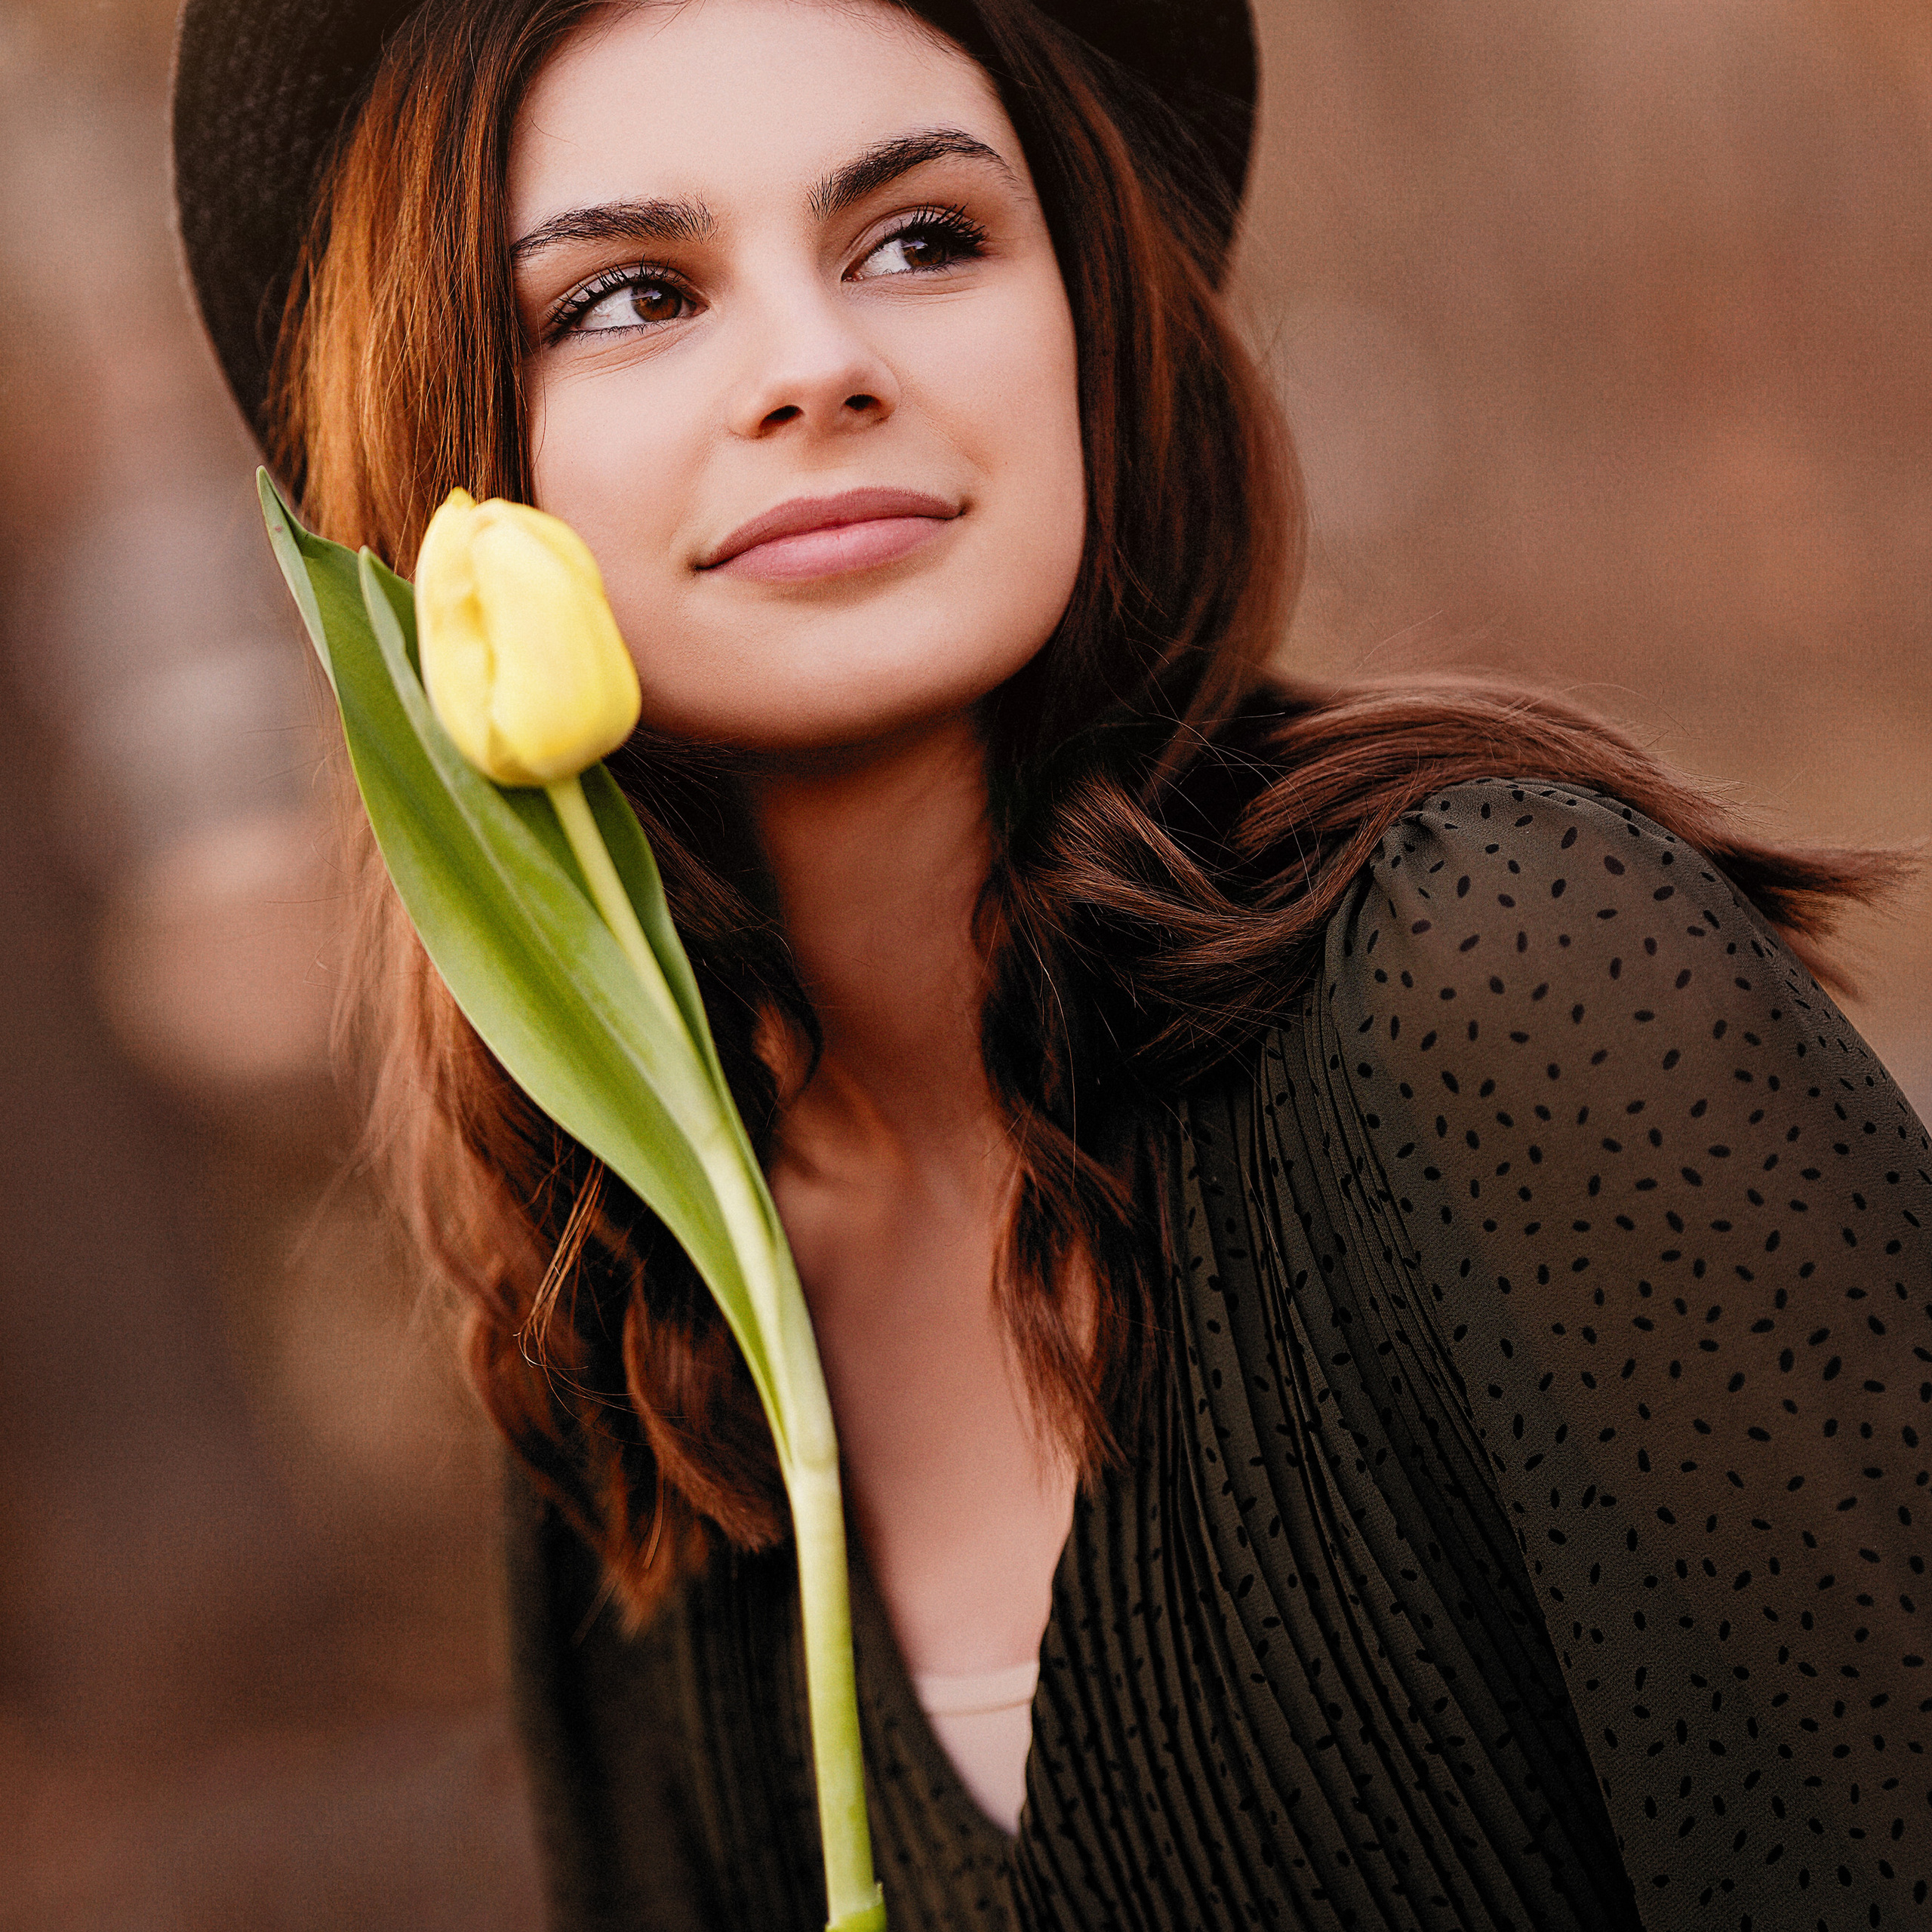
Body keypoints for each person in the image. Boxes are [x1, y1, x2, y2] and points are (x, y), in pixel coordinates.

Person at [171, 0, 1930, 1925]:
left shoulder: (1504, 985)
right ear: (444, 486)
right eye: (625, 296)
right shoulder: (637, 1339)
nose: (818, 365)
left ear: (1090, 321)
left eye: (922, 240)